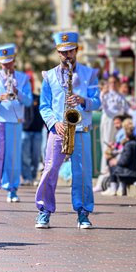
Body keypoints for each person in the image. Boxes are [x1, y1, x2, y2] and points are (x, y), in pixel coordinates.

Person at [35, 32, 100, 229]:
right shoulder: (48, 76)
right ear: (58, 52)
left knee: (82, 173)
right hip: (59, 130)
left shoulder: (90, 74)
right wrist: (54, 123)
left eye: (70, 51)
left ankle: (83, 213)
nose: (67, 55)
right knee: (49, 170)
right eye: (63, 52)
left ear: (77, 50)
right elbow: (44, 106)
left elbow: (98, 102)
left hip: (81, 128)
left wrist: (83, 100)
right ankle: (44, 211)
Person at [0, 44, 33, 203]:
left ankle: (12, 189)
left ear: (14, 61)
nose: (7, 66)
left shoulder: (23, 78)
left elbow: (29, 101)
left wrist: (17, 92)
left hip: (15, 121)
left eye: (9, 62)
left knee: (13, 155)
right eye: (4, 63)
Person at [95, 75, 130, 191]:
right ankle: (103, 177)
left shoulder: (121, 96)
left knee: (117, 147)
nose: (113, 84)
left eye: (115, 82)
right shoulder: (105, 95)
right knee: (107, 148)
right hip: (108, 121)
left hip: (118, 123)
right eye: (110, 82)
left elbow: (126, 109)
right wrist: (102, 94)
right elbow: (100, 106)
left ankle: (113, 177)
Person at [102, 118, 136, 196]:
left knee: (112, 164)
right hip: (131, 172)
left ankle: (116, 187)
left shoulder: (129, 144)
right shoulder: (132, 142)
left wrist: (116, 161)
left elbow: (125, 160)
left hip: (130, 174)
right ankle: (115, 187)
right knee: (112, 162)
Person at [21, 83, 44, 186]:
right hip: (25, 131)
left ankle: (33, 176)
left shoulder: (38, 98)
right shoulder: (20, 99)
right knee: (25, 157)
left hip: (37, 131)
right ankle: (27, 177)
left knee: (36, 156)